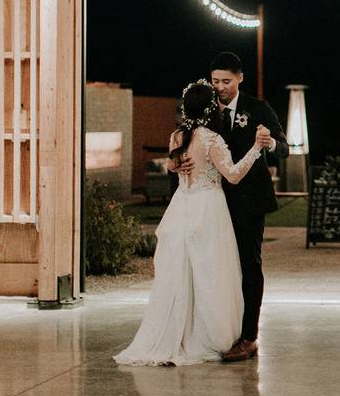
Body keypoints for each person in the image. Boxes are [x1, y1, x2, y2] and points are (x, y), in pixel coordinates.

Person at [114, 80, 268, 366]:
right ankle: (209, 335)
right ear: (212, 109)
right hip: (209, 209)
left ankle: (178, 333)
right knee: (210, 273)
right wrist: (257, 148)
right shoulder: (211, 140)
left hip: (182, 207)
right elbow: (233, 175)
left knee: (181, 272)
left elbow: (174, 165)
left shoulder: (176, 137)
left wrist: (175, 166)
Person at [175, 52, 288, 362]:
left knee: (249, 266)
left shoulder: (258, 108)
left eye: (226, 81)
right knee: (215, 267)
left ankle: (249, 336)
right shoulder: (203, 110)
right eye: (215, 81)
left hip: (249, 201)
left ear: (240, 78)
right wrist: (180, 162)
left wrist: (270, 144)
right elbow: (184, 145)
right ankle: (216, 331)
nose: (220, 87)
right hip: (212, 203)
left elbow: (285, 148)